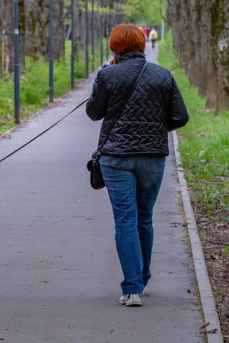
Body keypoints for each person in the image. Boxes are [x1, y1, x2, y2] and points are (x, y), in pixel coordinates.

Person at [85, 23, 189, 307]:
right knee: (144, 217)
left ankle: (132, 289)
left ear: (115, 47)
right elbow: (180, 117)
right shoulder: (163, 75)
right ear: (143, 44)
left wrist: (105, 81)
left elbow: (93, 113)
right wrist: (155, 128)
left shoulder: (107, 74)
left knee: (125, 220)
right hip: (153, 156)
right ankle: (141, 279)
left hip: (116, 157)